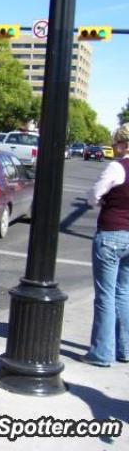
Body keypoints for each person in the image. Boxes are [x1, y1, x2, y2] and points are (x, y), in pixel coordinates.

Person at [82, 123, 129, 367]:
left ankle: (102, 352)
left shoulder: (117, 167)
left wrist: (97, 201)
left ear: (123, 144)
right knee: (124, 292)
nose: (113, 147)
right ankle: (125, 348)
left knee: (106, 295)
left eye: (116, 143)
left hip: (111, 234)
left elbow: (93, 195)